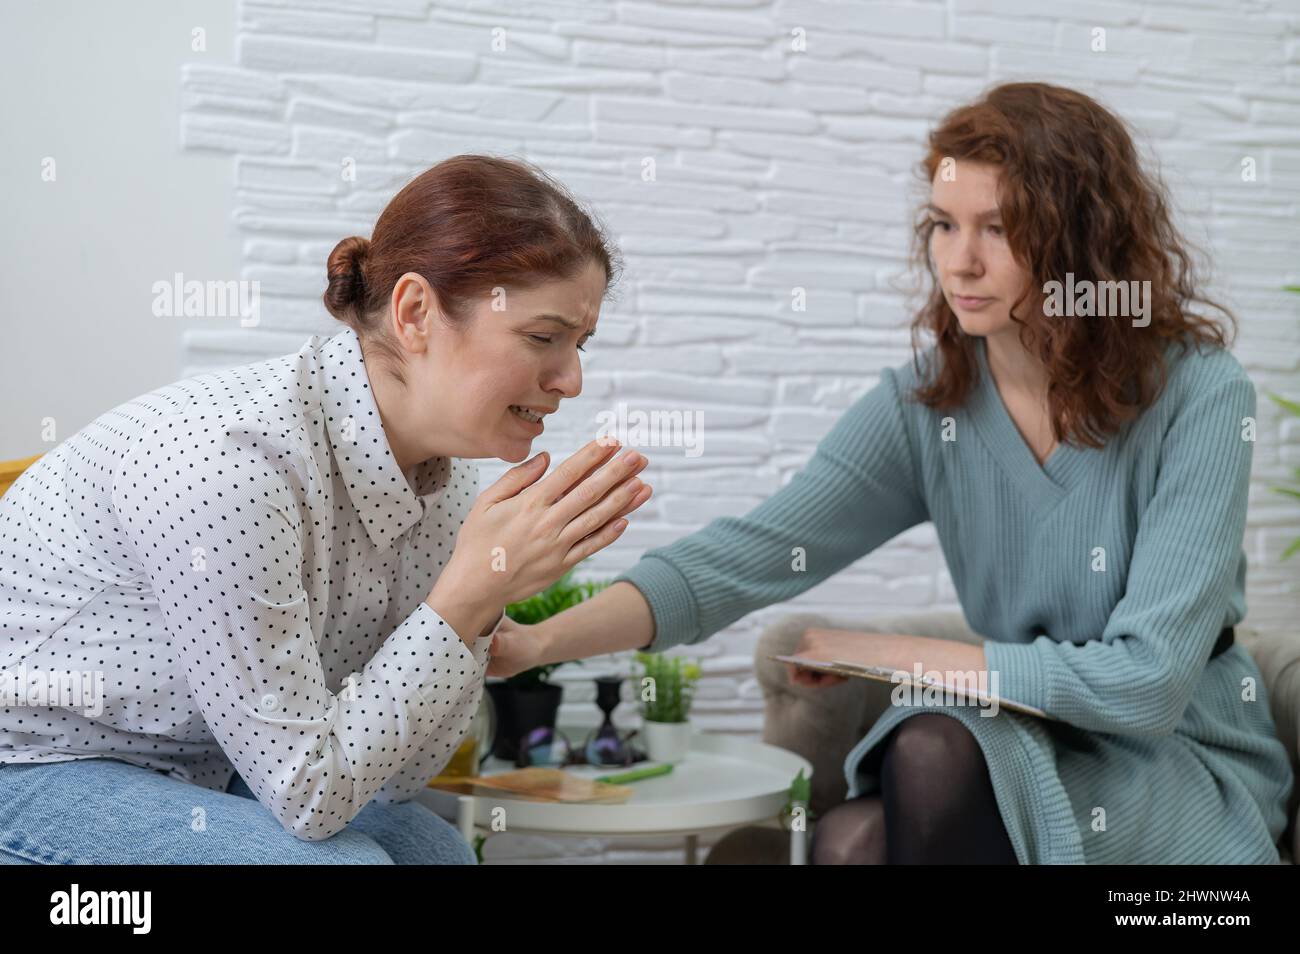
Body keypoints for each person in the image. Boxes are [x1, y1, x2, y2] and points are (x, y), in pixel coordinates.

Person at [485, 82, 1296, 864]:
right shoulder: (927, 404)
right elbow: (748, 557)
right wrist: (537, 643)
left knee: (921, 760)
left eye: (1000, 229)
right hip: (1023, 729)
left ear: (1081, 240)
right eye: (944, 225)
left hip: (1171, 751)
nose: (961, 262)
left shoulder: (1199, 392)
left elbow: (1148, 683)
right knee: (850, 837)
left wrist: (900, 655)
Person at [0, 155, 652, 864]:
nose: (572, 380)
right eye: (542, 336)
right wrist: (467, 599)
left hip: (206, 766)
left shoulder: (451, 492)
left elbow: (400, 777)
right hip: (35, 763)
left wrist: (481, 604)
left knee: (441, 856)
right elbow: (311, 795)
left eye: (579, 343)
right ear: (414, 313)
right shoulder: (234, 465)